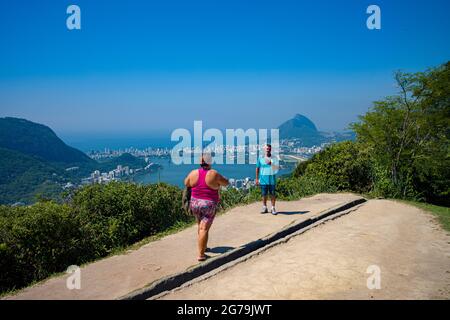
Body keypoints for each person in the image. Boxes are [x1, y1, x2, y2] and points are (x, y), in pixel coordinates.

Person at [184, 153, 229, 261]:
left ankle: (203, 247)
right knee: (204, 228)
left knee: (200, 225)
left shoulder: (193, 173)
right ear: (210, 162)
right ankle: (201, 255)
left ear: (200, 163)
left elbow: (186, 183)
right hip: (208, 205)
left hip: (194, 204)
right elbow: (225, 183)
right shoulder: (214, 174)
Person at [256, 144, 279, 215]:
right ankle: (264, 207)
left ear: (271, 150)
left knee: (272, 194)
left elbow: (277, 168)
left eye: (269, 149)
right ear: (264, 150)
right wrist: (257, 179)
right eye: (267, 149)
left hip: (272, 179)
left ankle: (273, 208)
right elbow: (257, 168)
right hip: (263, 179)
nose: (268, 150)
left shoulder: (274, 158)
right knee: (264, 194)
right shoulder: (260, 158)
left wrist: (271, 164)